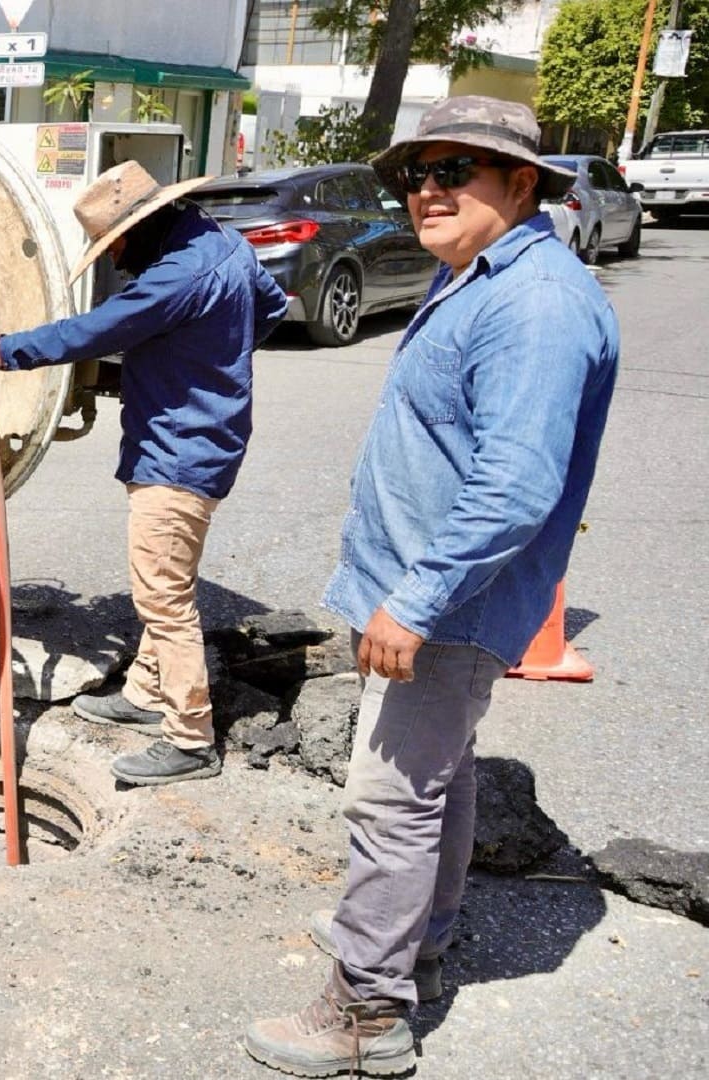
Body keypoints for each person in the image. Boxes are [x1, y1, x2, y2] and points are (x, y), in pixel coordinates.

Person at [242, 97, 618, 1077]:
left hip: (447, 604)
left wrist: (414, 601)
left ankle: (365, 1014)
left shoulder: (536, 304)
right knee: (434, 782)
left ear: (522, 183)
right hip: (431, 591)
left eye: (454, 171)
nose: (427, 192)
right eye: (416, 175)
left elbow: (516, 484)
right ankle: (421, 945)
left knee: (391, 800)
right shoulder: (484, 275)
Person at [0, 160, 289, 787]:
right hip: (208, 442)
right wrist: (198, 363)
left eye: (115, 245)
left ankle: (190, 738)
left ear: (138, 227)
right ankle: (144, 694)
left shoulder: (175, 276)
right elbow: (268, 310)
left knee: (163, 596)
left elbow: (93, 330)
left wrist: (0, 351)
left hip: (179, 455)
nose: (116, 258)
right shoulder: (224, 244)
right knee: (166, 577)